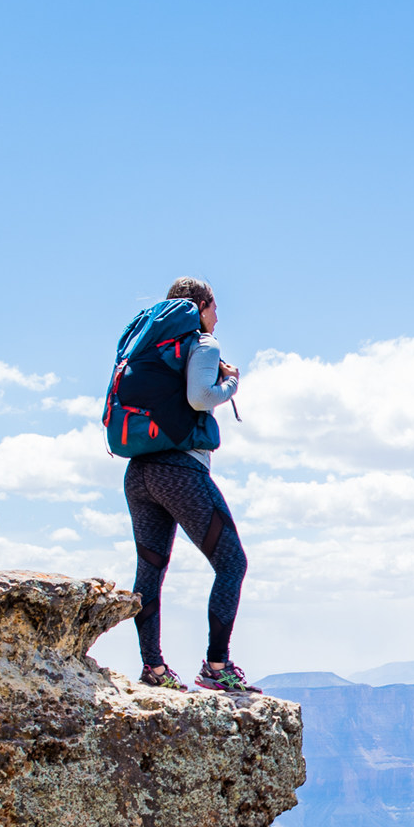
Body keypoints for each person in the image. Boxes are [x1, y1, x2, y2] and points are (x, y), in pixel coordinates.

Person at [118, 277, 261, 695]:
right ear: (200, 306)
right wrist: (231, 382)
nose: (217, 317)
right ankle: (217, 666)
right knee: (232, 563)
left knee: (150, 571)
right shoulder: (202, 344)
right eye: (215, 308)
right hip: (180, 472)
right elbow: (201, 398)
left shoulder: (150, 348)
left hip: (139, 474)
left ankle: (154, 669)